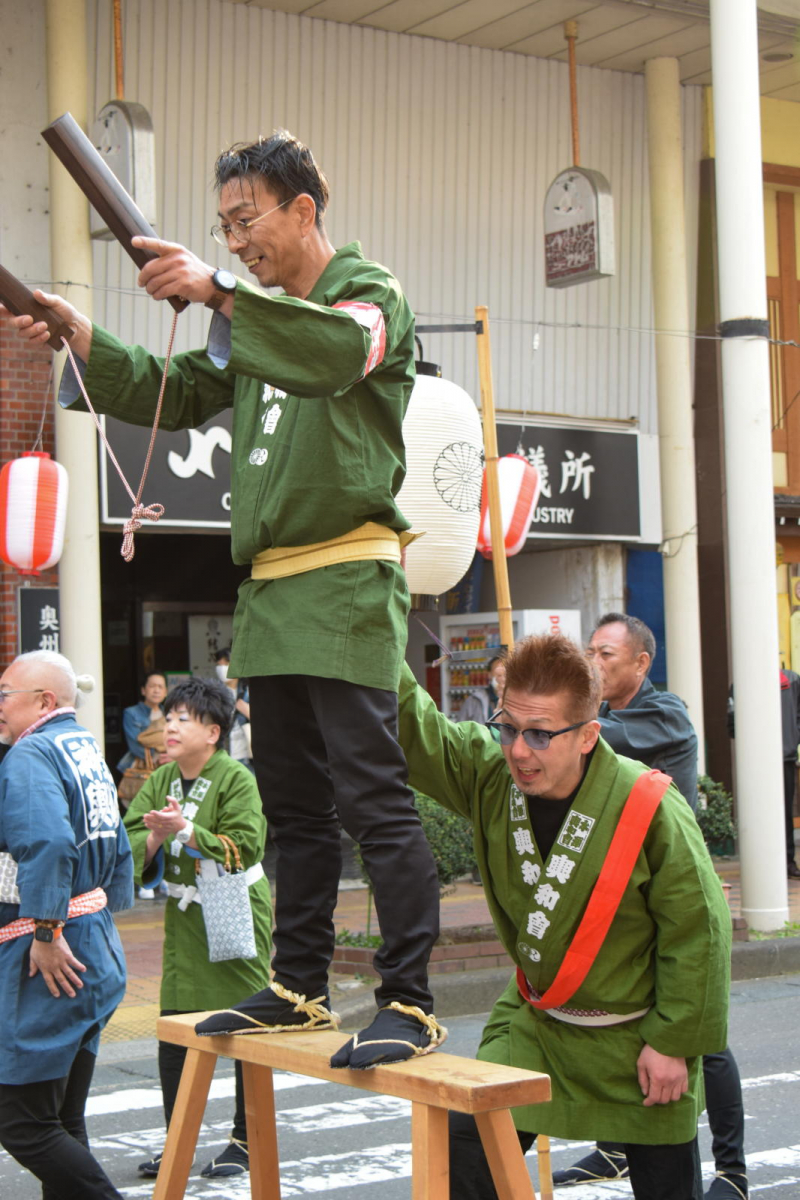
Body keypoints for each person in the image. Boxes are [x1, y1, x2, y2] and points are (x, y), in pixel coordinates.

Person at [3, 129, 443, 1065]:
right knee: (295, 806)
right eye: (224, 229)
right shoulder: (251, 320)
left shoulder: (368, 294)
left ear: (303, 209)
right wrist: (80, 334)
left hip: (347, 576)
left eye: (246, 222)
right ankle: (300, 986)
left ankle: (408, 999)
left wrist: (218, 290)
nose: (236, 243)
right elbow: (168, 388)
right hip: (273, 591)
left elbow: (335, 353)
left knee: (373, 798)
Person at [397, 632, 732, 1200]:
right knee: (465, 1153)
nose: (518, 752)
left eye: (540, 734)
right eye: (508, 728)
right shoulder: (491, 777)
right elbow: (415, 729)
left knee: (668, 1189)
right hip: (539, 1025)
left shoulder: (648, 803)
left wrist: (673, 1042)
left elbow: (698, 930)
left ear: (588, 735)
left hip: (637, 1039)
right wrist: (374, 619)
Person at [557, 613, 746, 1200]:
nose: (594, 662)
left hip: (672, 897)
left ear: (641, 662)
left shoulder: (663, 715)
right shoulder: (602, 715)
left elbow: (597, 739)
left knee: (699, 1033)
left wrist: (548, 715)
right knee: (614, 1017)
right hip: (617, 897)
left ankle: (733, 1171)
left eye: (606, 654)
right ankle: (615, 1149)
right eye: (589, 651)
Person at [124, 676, 273, 1180]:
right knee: (174, 1027)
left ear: (212, 732)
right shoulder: (161, 778)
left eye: (182, 719)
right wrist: (153, 839)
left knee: (246, 1024)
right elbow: (131, 836)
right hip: (184, 916)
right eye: (168, 717)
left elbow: (246, 844)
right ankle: (178, 1141)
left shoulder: (236, 778)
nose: (170, 726)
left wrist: (186, 830)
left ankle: (246, 1140)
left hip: (233, 906)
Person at [0, 650, 133, 1200]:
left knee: (22, 1122)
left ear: (43, 701)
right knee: (61, 1117)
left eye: (5, 694)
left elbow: (50, 842)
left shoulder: (31, 752)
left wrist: (47, 931)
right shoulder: (82, 745)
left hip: (54, 949)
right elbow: (115, 838)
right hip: (93, 939)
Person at [729, 667, 800, 882]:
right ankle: (762, 862)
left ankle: (787, 861)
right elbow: (732, 721)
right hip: (756, 760)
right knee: (758, 810)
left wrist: (792, 739)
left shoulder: (792, 680)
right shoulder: (741, 684)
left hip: (783, 757)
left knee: (784, 812)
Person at [214, 648, 253, 772]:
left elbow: (268, 722)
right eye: (219, 665)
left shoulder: (249, 692)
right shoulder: (213, 694)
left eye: (226, 664)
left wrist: (248, 711)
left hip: (245, 755)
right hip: (222, 755)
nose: (222, 668)